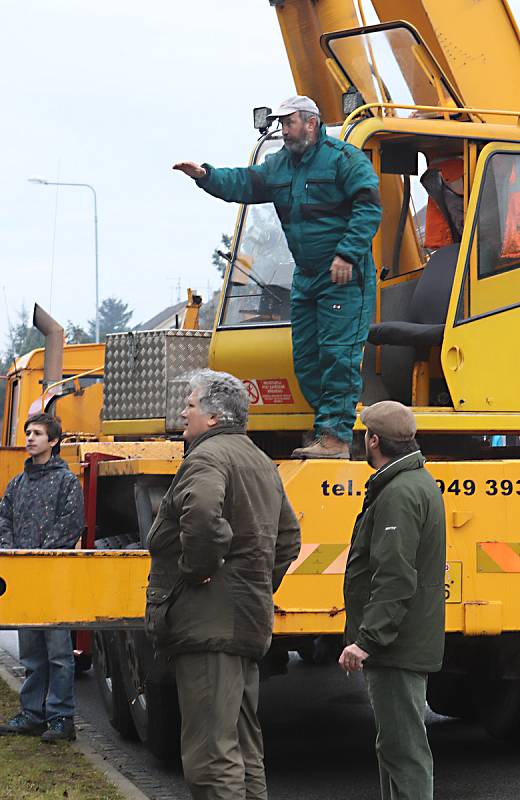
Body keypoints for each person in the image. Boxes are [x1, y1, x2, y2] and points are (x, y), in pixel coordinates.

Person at [174, 95, 381, 459]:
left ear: (311, 123)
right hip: (308, 276)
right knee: (305, 357)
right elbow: (244, 182)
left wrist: (347, 253)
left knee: (337, 355)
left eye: (289, 122)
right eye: (281, 124)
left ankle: (335, 436)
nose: (284, 130)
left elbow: (369, 206)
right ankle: (325, 428)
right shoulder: (279, 165)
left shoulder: (344, 160)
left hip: (345, 277)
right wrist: (206, 176)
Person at [145, 369, 301, 800]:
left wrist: (199, 572)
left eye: (190, 405)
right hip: (246, 623)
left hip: (208, 627)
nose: (183, 413)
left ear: (213, 417)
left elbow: (202, 519)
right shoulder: (259, 460)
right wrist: (256, 583)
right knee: (244, 750)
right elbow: (288, 539)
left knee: (210, 758)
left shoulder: (207, 458)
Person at [338, 400, 446, 800]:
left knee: (405, 751)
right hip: (401, 641)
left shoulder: (399, 492)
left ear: (374, 439)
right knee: (395, 748)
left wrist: (367, 640)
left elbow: (396, 577)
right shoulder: (410, 482)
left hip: (397, 644)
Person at [0, 413, 84, 743]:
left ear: (53, 441)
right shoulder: (16, 485)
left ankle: (62, 718)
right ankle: (32, 713)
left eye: (37, 433)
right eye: (28, 432)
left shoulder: (67, 482)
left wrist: (41, 557)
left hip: (54, 577)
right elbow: (3, 519)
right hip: (24, 577)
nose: (30, 438)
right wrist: (12, 552)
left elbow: (71, 523)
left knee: (59, 653)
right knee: (31, 651)